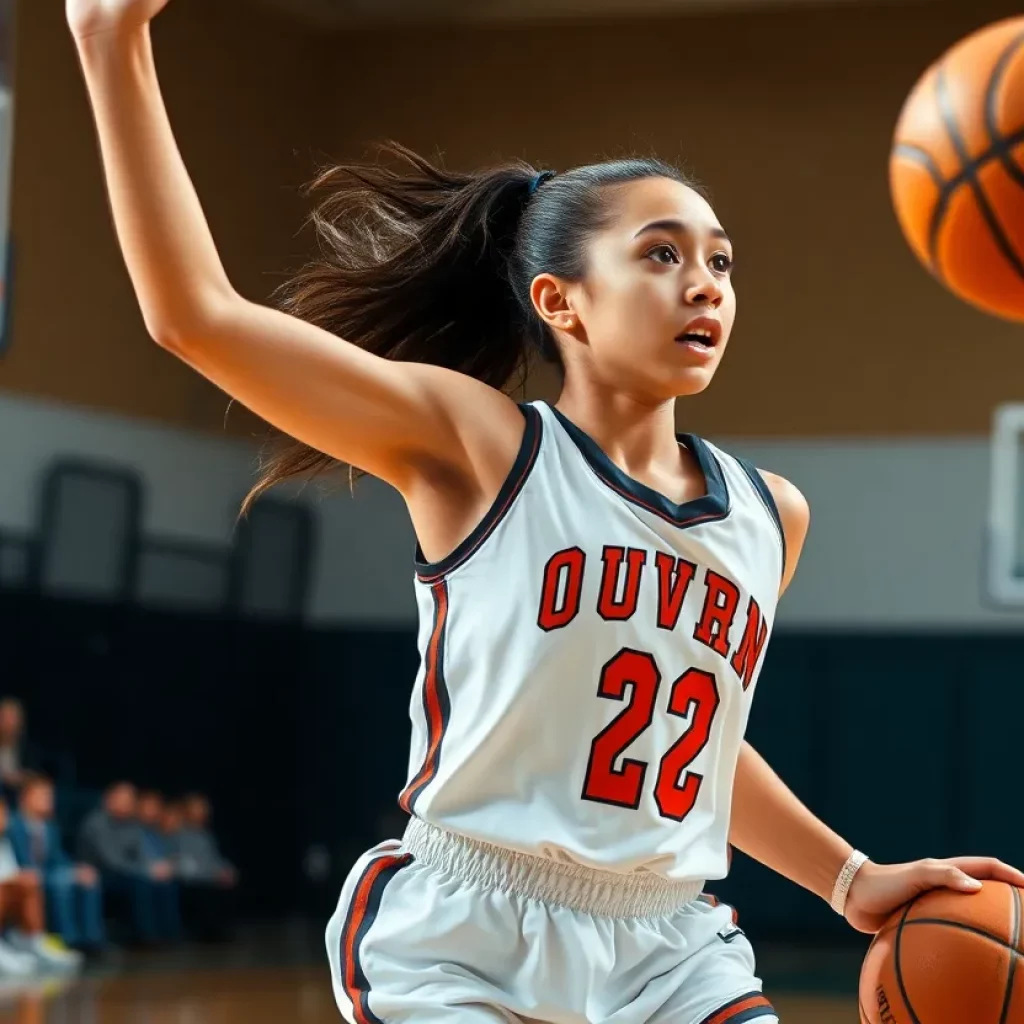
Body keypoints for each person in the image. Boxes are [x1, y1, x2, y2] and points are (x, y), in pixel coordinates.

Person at [66, 0, 1024, 1020]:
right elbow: (194, 317)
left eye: (720, 261)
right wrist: (108, 37)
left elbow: (693, 742)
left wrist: (847, 876)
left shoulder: (767, 513)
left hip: (667, 944)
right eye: (661, 254)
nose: (703, 284)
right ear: (563, 303)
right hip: (466, 931)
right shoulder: (479, 447)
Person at [9, 775, 105, 954]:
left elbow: (58, 858)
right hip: (23, 875)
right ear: (25, 797)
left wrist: (76, 870)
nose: (48, 800)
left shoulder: (50, 826)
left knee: (88, 878)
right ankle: (68, 940)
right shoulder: (12, 823)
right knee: (61, 881)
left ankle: (91, 939)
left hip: (49, 873)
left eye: (50, 796)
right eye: (42, 795)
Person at [77, 782, 180, 946]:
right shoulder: (96, 822)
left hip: (129, 873)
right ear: (109, 799)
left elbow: (140, 854)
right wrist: (147, 871)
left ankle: (168, 935)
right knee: (141, 883)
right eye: (123, 799)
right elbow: (112, 861)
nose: (128, 803)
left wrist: (154, 868)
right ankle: (146, 936)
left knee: (165, 883)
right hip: (102, 875)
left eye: (131, 799)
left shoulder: (132, 825)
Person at [0, 798, 80, 975]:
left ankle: (32, 940)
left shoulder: (4, 842)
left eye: (4, 814)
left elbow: (11, 872)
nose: (4, 819)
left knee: (30, 882)